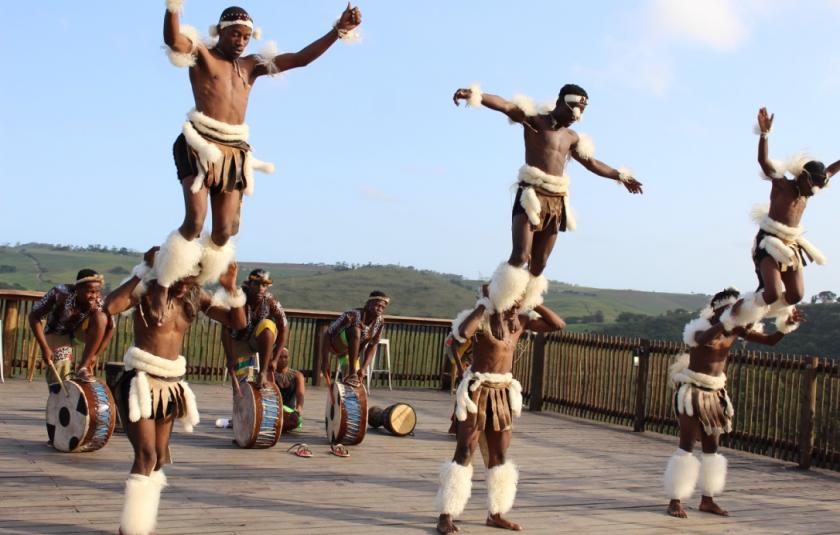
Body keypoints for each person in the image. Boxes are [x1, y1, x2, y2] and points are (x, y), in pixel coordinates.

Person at [149, 1, 363, 323]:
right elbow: (174, 40)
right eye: (235, 34)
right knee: (194, 221)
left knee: (222, 234)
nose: (241, 41)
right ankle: (162, 284)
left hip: (234, 153)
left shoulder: (251, 67)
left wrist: (338, 31)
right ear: (222, 32)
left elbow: (300, 59)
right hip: (200, 146)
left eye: (246, 37)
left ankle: (190, 279)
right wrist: (173, 7)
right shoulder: (203, 56)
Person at [452, 83, 643, 320]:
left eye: (581, 112)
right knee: (521, 255)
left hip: (556, 202)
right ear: (561, 102)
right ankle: (496, 302)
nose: (576, 116)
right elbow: (506, 105)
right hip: (531, 195)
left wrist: (620, 175)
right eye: (573, 109)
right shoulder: (535, 121)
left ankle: (516, 305)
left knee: (539, 264)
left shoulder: (572, 137)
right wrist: (475, 95)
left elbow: (591, 163)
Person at [105, 247, 246, 535]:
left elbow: (238, 324)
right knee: (145, 455)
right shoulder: (147, 292)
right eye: (181, 277)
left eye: (192, 277)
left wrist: (232, 290)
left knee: (157, 456)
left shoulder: (195, 297)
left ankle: (141, 525)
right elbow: (110, 306)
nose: (185, 284)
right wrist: (143, 269)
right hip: (140, 383)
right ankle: (130, 530)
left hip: (170, 387)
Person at [665, 288, 803, 519]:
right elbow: (701, 340)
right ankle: (675, 500)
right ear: (717, 308)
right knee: (686, 445)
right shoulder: (700, 326)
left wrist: (785, 325)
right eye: (728, 310)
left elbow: (770, 341)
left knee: (711, 449)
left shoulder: (735, 328)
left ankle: (707, 500)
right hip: (692, 391)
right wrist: (726, 322)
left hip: (715, 392)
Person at [435, 293, 566, 534]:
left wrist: (534, 301)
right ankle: (446, 513)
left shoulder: (522, 321)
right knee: (464, 451)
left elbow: (558, 325)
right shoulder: (482, 320)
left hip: (503, 391)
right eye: (511, 301)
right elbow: (462, 334)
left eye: (519, 302)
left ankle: (496, 514)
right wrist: (484, 306)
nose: (515, 306)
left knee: (499, 455)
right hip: (477, 391)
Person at [721, 108, 837, 332]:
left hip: (791, 246)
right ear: (803, 176)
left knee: (795, 294)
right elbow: (763, 162)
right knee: (772, 292)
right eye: (812, 184)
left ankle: (760, 311)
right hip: (769, 243)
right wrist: (764, 134)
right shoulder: (783, 185)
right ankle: (740, 309)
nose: (814, 191)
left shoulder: (812, 186)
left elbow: (832, 170)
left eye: (818, 187)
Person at [28, 269, 112, 390]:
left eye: (97, 291)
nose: (93, 296)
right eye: (89, 291)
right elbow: (33, 316)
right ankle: (60, 398)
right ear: (77, 287)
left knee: (101, 317)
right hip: (56, 331)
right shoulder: (59, 293)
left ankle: (83, 366)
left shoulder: (99, 302)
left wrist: (95, 356)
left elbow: (110, 328)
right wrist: (44, 347)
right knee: (60, 364)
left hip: (81, 332)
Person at [221, 269, 289, 391]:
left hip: (258, 341)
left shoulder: (270, 301)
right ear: (249, 284)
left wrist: (275, 359)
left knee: (268, 325)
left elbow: (283, 328)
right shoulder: (238, 298)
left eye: (264, 285)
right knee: (243, 384)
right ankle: (244, 402)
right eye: (257, 284)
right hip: (239, 340)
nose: (260, 288)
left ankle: (262, 373)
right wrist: (230, 357)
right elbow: (225, 329)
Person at [320, 291, 389, 388]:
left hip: (350, 355)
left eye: (383, 308)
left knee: (350, 388)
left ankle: (349, 377)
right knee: (356, 330)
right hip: (336, 345)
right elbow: (328, 334)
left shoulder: (380, 321)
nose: (380, 309)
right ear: (368, 304)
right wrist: (325, 361)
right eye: (377, 305)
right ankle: (352, 373)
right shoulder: (353, 314)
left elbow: (373, 345)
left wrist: (363, 368)